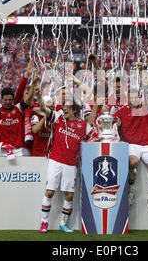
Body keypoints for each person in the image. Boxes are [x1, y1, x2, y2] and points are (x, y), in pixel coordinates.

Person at [37, 88, 99, 233]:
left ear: (74, 111)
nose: (64, 108)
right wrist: (39, 96)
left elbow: (95, 132)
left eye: (68, 107)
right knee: (50, 192)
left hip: (71, 164)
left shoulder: (83, 125)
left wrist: (96, 105)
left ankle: (63, 224)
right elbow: (44, 110)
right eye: (64, 106)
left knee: (69, 195)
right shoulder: (58, 119)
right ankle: (44, 222)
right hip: (56, 161)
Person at [114, 62, 148, 213]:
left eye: (136, 96)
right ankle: (131, 189)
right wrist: (117, 123)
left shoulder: (146, 108)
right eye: (131, 97)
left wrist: (142, 72)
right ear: (127, 98)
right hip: (131, 145)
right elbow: (113, 126)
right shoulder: (122, 111)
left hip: (147, 145)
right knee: (132, 161)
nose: (134, 99)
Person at [0, 75, 39, 158]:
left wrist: (33, 84)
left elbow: (28, 100)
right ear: (2, 99)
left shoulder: (19, 108)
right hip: (2, 150)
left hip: (20, 148)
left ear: (13, 99)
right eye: (5, 100)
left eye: (10, 100)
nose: (8, 102)